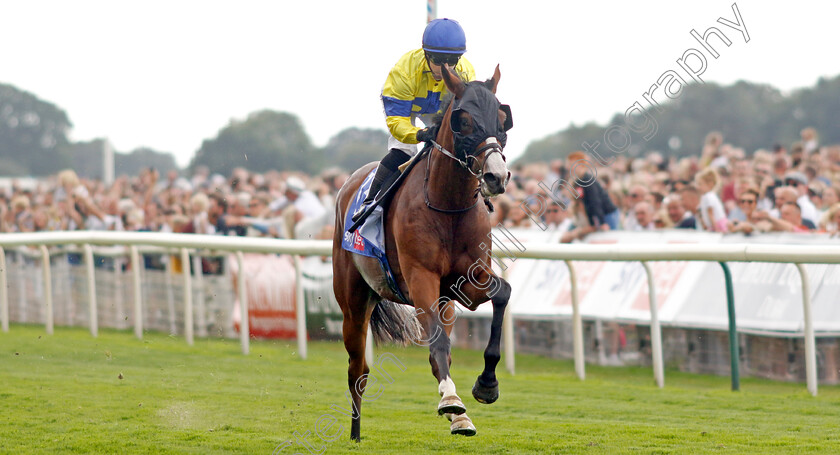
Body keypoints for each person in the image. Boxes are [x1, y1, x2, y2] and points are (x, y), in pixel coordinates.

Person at [352, 18, 476, 221]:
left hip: (439, 107)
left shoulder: (465, 73)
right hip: (407, 106)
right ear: (426, 54)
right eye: (437, 60)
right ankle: (371, 203)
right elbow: (397, 122)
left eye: (451, 61)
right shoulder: (404, 72)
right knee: (404, 151)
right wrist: (419, 134)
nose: (444, 69)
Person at [567, 151, 620, 231]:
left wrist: (601, 222)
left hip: (607, 213)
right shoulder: (580, 181)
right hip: (602, 214)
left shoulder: (587, 179)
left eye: (571, 164)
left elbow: (595, 201)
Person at [694, 168, 727, 232]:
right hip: (712, 226)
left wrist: (717, 229)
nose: (698, 187)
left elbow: (711, 214)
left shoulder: (709, 196)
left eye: (700, 184)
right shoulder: (704, 197)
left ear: (710, 184)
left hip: (717, 225)